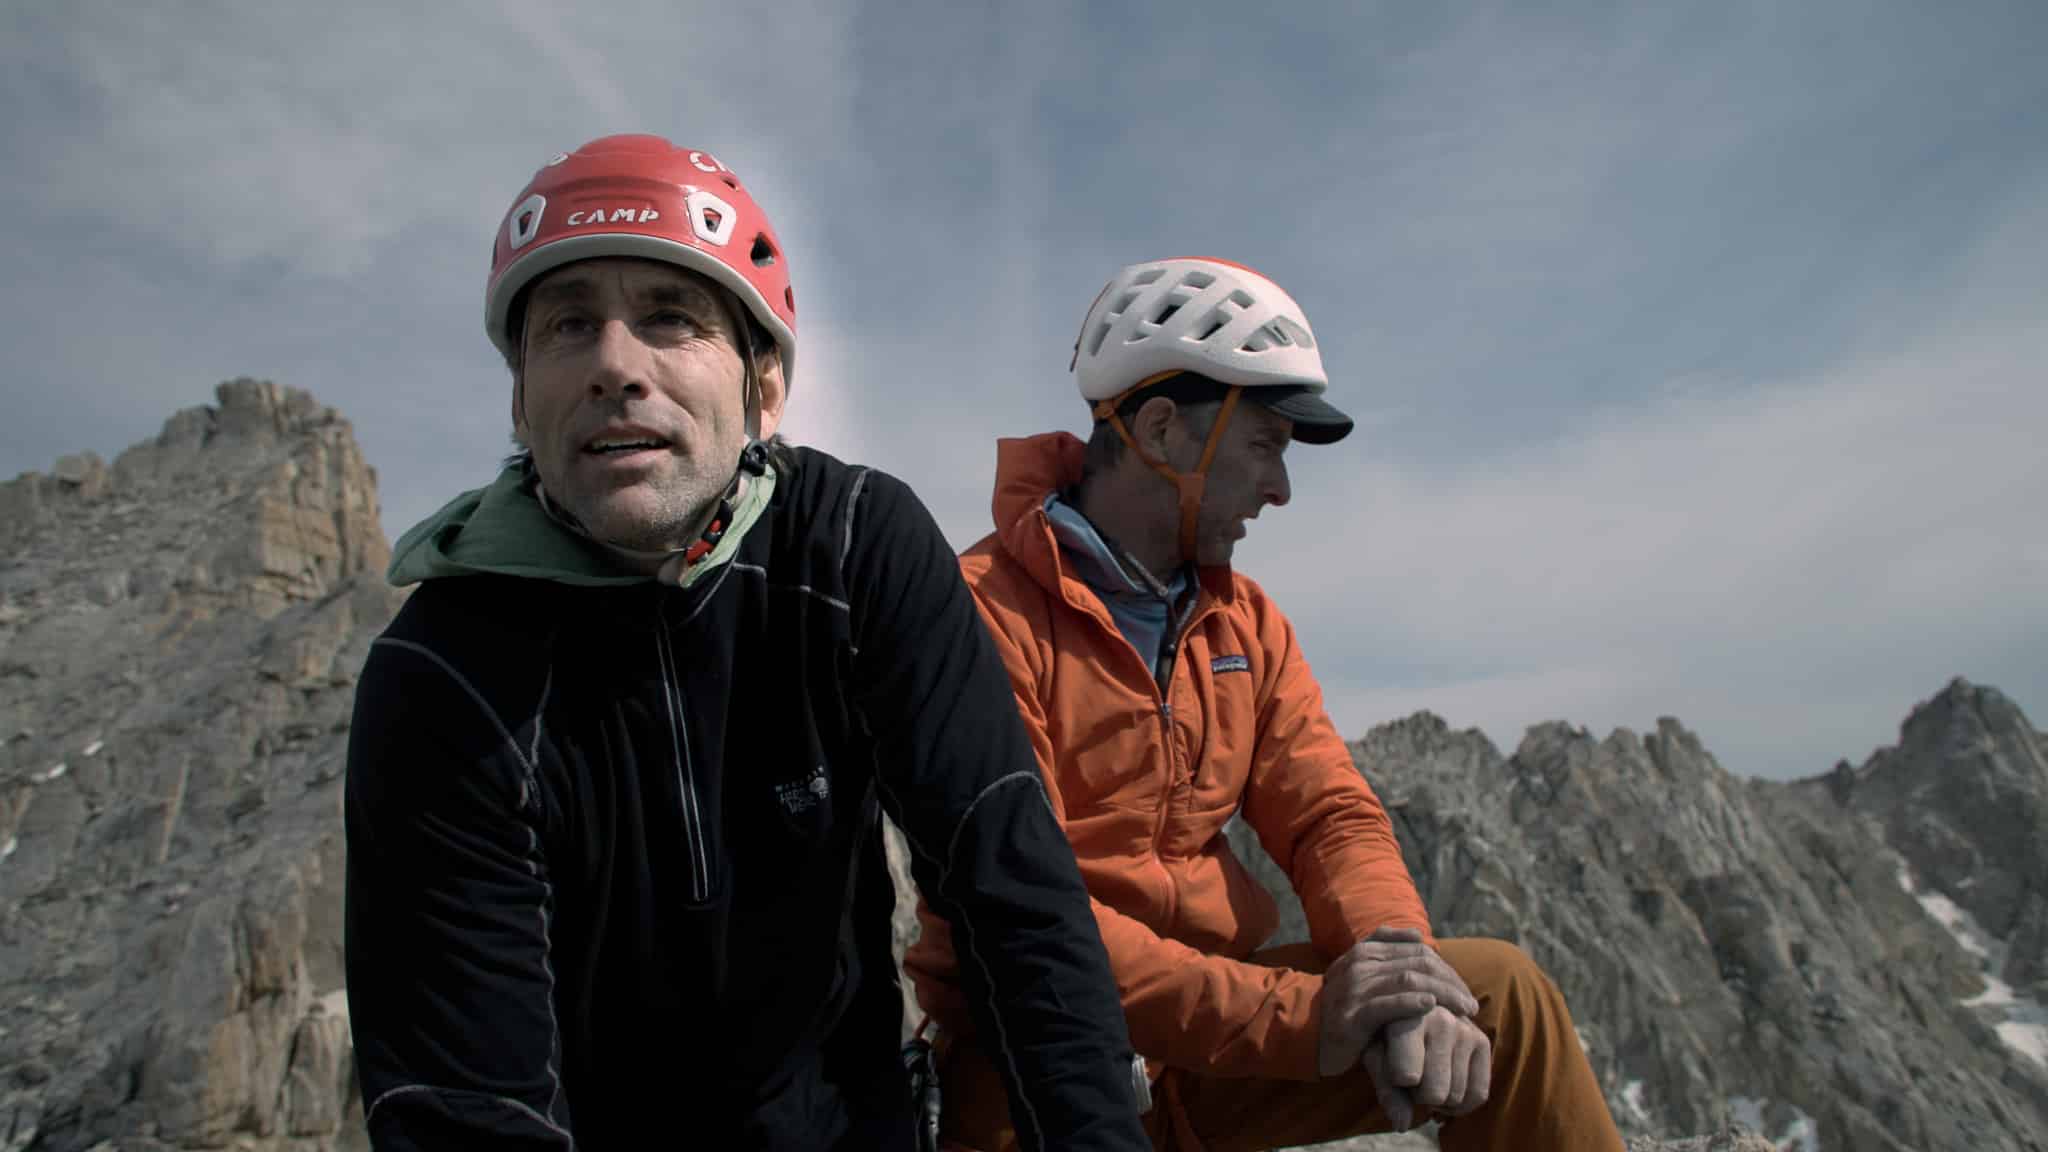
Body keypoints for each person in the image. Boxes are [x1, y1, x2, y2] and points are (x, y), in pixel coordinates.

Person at [342, 134, 1149, 1151]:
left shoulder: (853, 549)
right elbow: (466, 1106)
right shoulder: (445, 676)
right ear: (518, 400)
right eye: (568, 325)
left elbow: (1008, 890)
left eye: (671, 318)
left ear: (763, 385)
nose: (614, 366)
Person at [903, 257, 1626, 1151]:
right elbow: (1026, 921)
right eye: (1263, 445)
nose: (1280, 489)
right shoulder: (980, 614)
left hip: (1206, 1057)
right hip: (1034, 1069)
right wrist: (1300, 1019)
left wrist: (1396, 963)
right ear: (1163, 430)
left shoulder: (1244, 625)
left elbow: (1329, 815)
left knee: (1501, 1000)